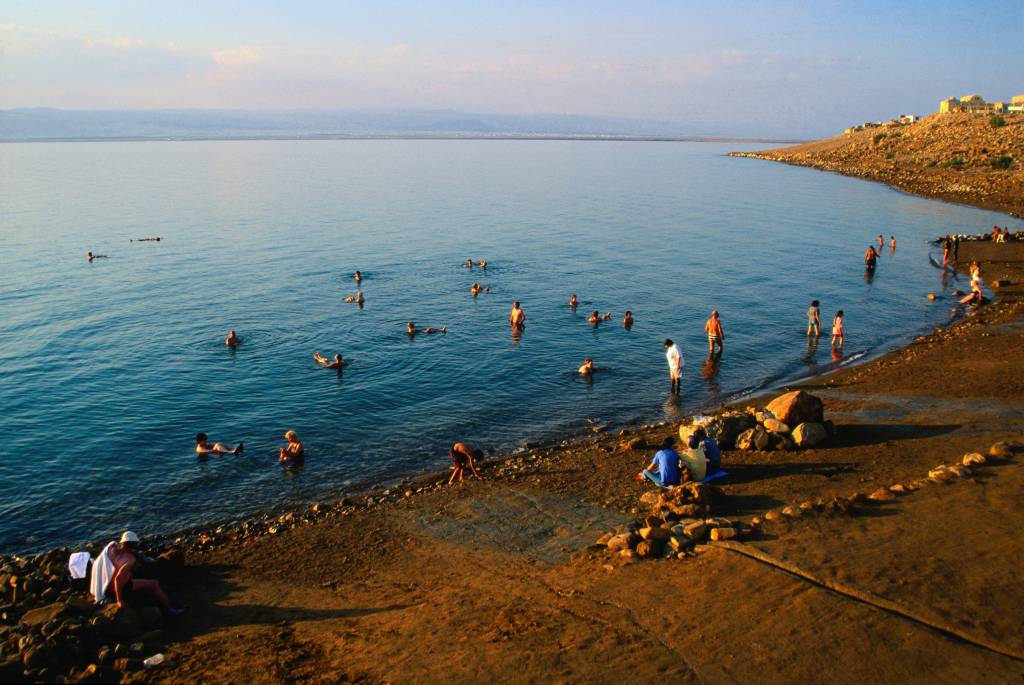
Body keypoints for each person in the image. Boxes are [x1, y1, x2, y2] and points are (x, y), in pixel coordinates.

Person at [107, 532, 183, 615]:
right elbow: (118, 579)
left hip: (107, 586)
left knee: (132, 575)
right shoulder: (130, 559)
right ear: (134, 545)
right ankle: (169, 609)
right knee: (154, 583)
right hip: (123, 588)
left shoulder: (111, 549)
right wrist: (120, 600)